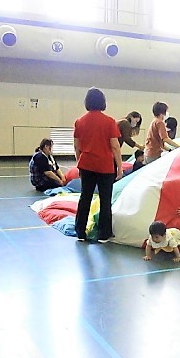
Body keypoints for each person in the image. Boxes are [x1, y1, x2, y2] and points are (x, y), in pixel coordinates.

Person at [73, 87, 122, 243]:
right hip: (105, 166)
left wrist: (79, 162)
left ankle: (80, 231)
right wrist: (120, 166)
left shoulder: (80, 121)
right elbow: (115, 146)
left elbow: (77, 146)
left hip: (86, 164)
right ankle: (104, 234)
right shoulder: (109, 121)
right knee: (105, 200)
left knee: (85, 197)